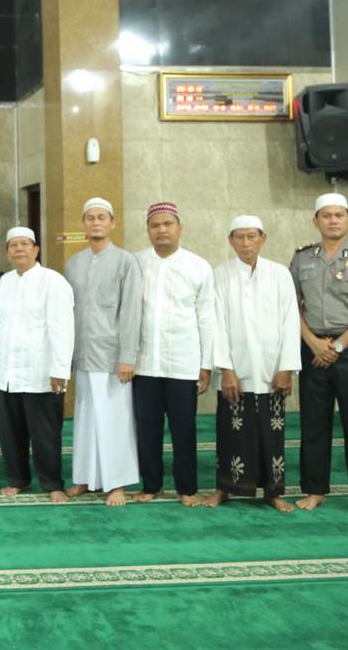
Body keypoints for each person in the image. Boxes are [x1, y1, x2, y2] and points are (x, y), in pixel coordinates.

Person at [290, 193, 348, 519]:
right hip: (312, 348)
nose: (333, 221)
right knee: (314, 422)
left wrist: (337, 347)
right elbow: (290, 307)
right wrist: (314, 343)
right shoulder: (301, 258)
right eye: (326, 215)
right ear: (316, 221)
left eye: (339, 215)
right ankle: (315, 491)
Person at [207, 215, 300, 513]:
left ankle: (273, 492)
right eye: (239, 237)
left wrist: (286, 368)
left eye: (251, 236)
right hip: (236, 370)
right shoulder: (220, 275)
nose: (246, 243)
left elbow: (291, 321)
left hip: (272, 370)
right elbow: (217, 324)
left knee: (271, 435)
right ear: (230, 240)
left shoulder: (279, 274)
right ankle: (224, 488)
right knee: (231, 433)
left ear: (263, 238)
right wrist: (226, 370)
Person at [134, 202, 215, 507]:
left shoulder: (199, 266)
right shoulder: (136, 263)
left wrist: (206, 363)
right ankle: (151, 485)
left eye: (168, 224)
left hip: (183, 362)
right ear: (148, 230)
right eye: (155, 225)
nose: (162, 230)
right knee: (147, 429)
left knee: (184, 429)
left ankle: (187, 488)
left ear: (180, 228)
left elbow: (207, 318)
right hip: (145, 363)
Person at [64, 198, 142, 507]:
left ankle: (117, 483)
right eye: (90, 217)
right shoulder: (73, 263)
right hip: (84, 355)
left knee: (114, 422)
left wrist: (128, 357)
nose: (96, 222)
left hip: (113, 358)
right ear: (83, 224)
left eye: (102, 217)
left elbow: (132, 312)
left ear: (112, 223)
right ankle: (85, 477)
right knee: (85, 420)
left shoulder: (126, 261)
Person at [0, 227, 74, 500]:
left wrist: (60, 370)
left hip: (41, 372)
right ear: (7, 252)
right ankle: (18, 479)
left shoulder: (54, 282)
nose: (19, 249)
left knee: (45, 434)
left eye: (24, 244)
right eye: (13, 245)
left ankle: (53, 484)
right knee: (11, 433)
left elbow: (63, 328)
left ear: (36, 250)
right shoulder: (4, 282)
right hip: (8, 372)